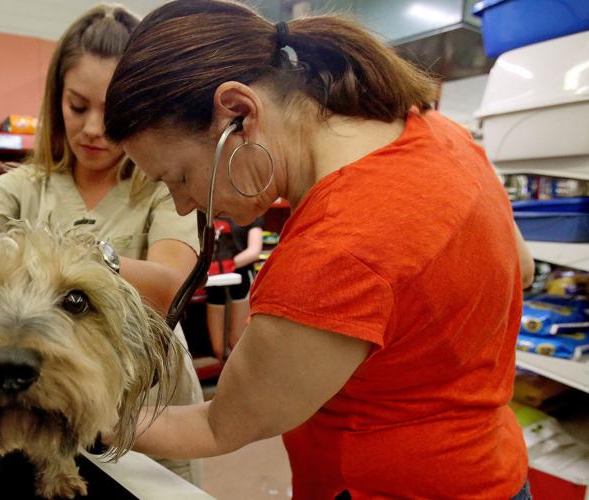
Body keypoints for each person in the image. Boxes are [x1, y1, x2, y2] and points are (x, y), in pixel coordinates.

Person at [103, 1, 536, 498]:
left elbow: (218, 426)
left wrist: (84, 416)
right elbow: (519, 268)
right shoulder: (439, 133)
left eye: (179, 177)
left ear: (239, 113)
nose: (183, 206)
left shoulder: (335, 253)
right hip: (495, 472)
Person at [0, 4, 203, 482]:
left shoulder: (162, 185)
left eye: (113, 111)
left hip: (149, 408)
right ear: (56, 100)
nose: (94, 128)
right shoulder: (27, 185)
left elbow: (168, 287)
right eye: (78, 106)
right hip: (44, 408)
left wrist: (86, 263)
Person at [206, 216, 263, 360]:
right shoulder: (210, 212)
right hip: (214, 282)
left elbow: (254, 251)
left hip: (241, 279)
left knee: (236, 341)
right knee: (218, 348)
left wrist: (227, 266)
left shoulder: (251, 213)